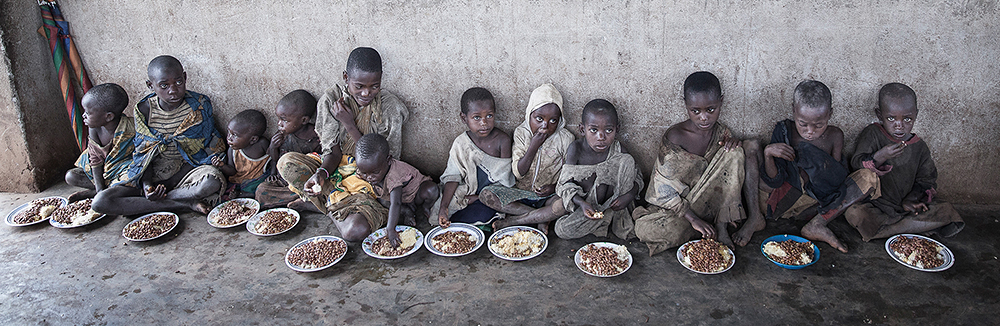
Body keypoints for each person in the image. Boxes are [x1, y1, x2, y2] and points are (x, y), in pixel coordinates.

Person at [275, 47, 408, 241]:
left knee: (354, 231)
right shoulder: (330, 100)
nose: (366, 93)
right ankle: (330, 199)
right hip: (334, 169)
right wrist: (321, 174)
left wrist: (348, 124)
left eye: (374, 86)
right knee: (286, 164)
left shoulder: (390, 107)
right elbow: (332, 152)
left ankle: (325, 206)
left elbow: (387, 162)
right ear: (346, 77)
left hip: (369, 179)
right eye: (359, 86)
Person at [632, 72, 764, 255]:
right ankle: (702, 227)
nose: (704, 117)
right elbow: (662, 190)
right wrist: (693, 219)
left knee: (734, 153)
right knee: (645, 229)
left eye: (711, 110)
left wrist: (734, 145)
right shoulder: (675, 137)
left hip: (711, 204)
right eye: (696, 111)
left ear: (721, 102)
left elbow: (724, 180)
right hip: (682, 207)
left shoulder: (721, 134)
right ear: (685, 104)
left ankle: (721, 226)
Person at [92, 55, 227, 216]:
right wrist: (147, 186)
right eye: (164, 85)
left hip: (189, 168)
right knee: (100, 202)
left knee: (210, 184)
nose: (173, 90)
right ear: (150, 85)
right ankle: (183, 204)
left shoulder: (199, 105)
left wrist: (171, 182)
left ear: (185, 77)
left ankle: (146, 204)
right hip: (155, 171)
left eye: (178, 82)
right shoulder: (144, 110)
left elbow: (208, 150)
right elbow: (144, 153)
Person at [758, 80, 879, 252]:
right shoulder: (785, 131)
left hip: (819, 205)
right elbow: (774, 181)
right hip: (787, 204)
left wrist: (816, 164)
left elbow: (836, 179)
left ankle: (817, 224)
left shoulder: (835, 135)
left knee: (868, 178)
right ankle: (817, 221)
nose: (810, 131)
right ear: (793, 110)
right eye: (803, 123)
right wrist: (768, 154)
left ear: (830, 114)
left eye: (819, 125)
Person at [844, 83, 964, 241]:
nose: (899, 125)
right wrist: (880, 156)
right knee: (854, 213)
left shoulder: (919, 147)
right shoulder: (873, 134)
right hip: (876, 207)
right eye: (891, 118)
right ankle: (911, 229)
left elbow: (927, 180)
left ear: (916, 115)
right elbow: (856, 165)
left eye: (907, 119)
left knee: (947, 210)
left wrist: (911, 200)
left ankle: (888, 231)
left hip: (907, 208)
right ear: (880, 115)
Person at [480, 84, 572, 234]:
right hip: (521, 193)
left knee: (563, 204)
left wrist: (554, 187)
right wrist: (533, 147)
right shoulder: (522, 133)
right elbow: (518, 173)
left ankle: (514, 221)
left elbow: (569, 175)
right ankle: (542, 218)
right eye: (539, 118)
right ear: (529, 114)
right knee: (486, 194)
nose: (545, 125)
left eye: (553, 121)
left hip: (549, 195)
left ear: (560, 120)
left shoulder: (566, 139)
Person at [553, 99, 642, 240]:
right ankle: (602, 221)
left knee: (627, 161)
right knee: (561, 229)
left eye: (608, 130)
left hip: (615, 206)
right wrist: (581, 203)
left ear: (617, 129)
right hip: (589, 208)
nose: (601, 137)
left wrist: (629, 195)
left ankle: (612, 220)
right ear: (582, 129)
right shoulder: (576, 149)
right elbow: (565, 184)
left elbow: (637, 177)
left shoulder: (618, 150)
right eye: (593, 130)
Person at [432, 87, 514, 228]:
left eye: (489, 116)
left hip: (491, 197)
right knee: (443, 209)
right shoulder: (461, 143)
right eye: (477, 117)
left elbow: (505, 182)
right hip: (467, 195)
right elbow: (452, 177)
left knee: (489, 210)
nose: (484, 123)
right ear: (464, 118)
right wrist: (443, 208)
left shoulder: (502, 141)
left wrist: (478, 198)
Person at [354, 133, 438, 246]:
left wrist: (390, 229)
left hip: (414, 193)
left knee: (431, 190)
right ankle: (407, 211)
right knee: (382, 201)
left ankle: (425, 208)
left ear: (388, 160)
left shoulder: (394, 175)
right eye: (365, 173)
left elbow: (396, 203)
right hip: (395, 197)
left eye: (375, 172)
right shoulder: (368, 168)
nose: (369, 177)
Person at [64, 83, 136, 202]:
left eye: (88, 113)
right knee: (70, 176)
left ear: (108, 117)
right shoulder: (94, 129)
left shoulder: (131, 128)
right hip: (102, 170)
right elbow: (95, 159)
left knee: (133, 176)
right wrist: (100, 190)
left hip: (121, 170)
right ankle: (102, 191)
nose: (84, 116)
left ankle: (103, 191)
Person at [255, 90, 321, 208]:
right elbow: (276, 159)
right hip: (286, 183)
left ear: (304, 120)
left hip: (306, 180)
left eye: (284, 120)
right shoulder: (283, 135)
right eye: (279, 119)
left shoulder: (316, 136)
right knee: (261, 191)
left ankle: (310, 200)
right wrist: (273, 147)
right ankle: (307, 201)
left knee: (318, 188)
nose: (279, 124)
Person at [213, 110, 271, 200]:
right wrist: (222, 166)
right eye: (229, 132)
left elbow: (274, 160)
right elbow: (232, 171)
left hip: (257, 180)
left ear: (253, 139)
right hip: (239, 182)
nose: (229, 138)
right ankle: (241, 194)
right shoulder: (232, 150)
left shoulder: (262, 144)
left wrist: (274, 148)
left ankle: (244, 195)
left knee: (263, 187)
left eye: (235, 135)